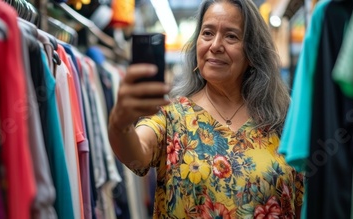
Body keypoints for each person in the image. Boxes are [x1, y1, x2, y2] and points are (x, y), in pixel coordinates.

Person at [108, 0, 304, 218]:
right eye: (208, 33)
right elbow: (137, 154)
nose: (215, 45)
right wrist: (120, 124)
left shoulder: (282, 120)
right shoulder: (172, 116)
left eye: (231, 36)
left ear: (251, 53)